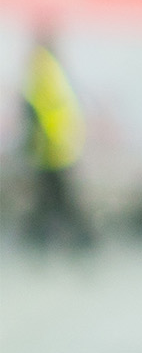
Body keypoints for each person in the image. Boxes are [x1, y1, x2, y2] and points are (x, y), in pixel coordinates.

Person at [20, 32, 96, 254]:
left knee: (58, 200)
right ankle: (38, 239)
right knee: (52, 199)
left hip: (49, 149)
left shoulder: (41, 70)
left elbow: (33, 110)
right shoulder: (54, 69)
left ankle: (80, 240)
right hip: (60, 147)